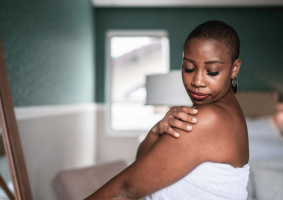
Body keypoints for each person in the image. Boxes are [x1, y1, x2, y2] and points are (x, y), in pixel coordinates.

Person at [85, 20, 249, 200]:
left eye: (212, 71)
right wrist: (157, 129)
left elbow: (126, 188)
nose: (197, 81)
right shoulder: (230, 111)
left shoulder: (207, 118)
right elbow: (143, 164)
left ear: (235, 68)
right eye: (189, 68)